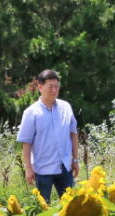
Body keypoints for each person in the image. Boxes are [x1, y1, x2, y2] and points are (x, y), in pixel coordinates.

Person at [18, 69, 80, 203]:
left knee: (71, 206)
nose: (54, 90)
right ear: (40, 87)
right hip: (42, 168)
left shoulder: (66, 107)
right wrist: (28, 168)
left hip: (65, 166)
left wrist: (75, 160)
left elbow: (73, 134)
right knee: (43, 207)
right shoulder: (31, 112)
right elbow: (26, 142)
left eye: (56, 86)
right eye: (50, 86)